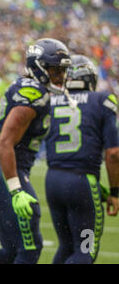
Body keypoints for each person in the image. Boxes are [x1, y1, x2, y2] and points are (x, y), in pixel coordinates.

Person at [0, 38, 71, 264]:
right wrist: (16, 189)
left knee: (11, 251)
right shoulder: (33, 95)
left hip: (2, 171)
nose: (61, 77)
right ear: (39, 67)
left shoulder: (29, 88)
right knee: (30, 249)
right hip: (6, 173)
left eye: (62, 71)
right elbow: (5, 143)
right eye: (55, 70)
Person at [44, 54, 119, 264]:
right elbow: (113, 154)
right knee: (86, 251)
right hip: (81, 180)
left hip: (52, 180)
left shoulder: (51, 100)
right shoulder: (102, 100)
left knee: (66, 247)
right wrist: (115, 192)